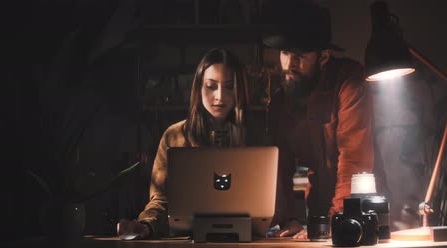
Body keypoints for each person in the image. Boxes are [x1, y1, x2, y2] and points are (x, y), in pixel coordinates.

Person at [260, 1, 376, 239]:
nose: (289, 65)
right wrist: (288, 219)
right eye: (284, 53)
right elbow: (279, 165)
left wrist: (339, 220)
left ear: (323, 56)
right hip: (318, 208)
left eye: (299, 55)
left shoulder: (350, 83)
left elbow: (354, 161)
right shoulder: (280, 102)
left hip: (363, 207)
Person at [117, 48, 248, 239]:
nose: (220, 96)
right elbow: (160, 198)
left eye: (229, 87)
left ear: (240, 90)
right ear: (198, 87)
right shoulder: (175, 136)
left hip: (244, 238)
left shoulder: (254, 136)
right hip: (187, 239)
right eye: (211, 86)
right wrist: (147, 224)